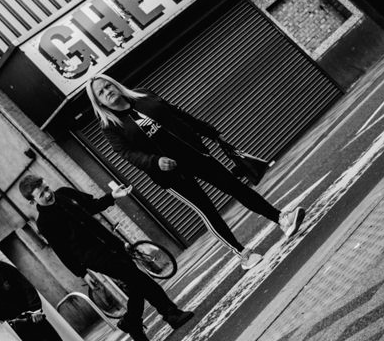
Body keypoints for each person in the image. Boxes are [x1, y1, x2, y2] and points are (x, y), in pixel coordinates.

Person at [86, 75, 303, 270]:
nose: (107, 92)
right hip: (171, 174)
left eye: (108, 86)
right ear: (99, 102)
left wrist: (209, 132)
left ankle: (281, 218)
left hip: (193, 154)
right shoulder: (110, 126)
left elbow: (178, 114)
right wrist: (154, 161)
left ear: (116, 85)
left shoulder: (143, 95)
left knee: (236, 187)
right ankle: (242, 253)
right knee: (208, 211)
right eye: (101, 93)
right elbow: (127, 153)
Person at [19, 173, 193, 341]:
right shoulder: (45, 223)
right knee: (140, 279)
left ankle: (131, 321)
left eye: (46, 188)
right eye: (41, 194)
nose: (48, 194)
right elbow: (62, 251)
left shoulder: (66, 193)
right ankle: (171, 314)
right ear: (32, 201)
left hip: (112, 245)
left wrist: (112, 196)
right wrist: (82, 273)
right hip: (94, 257)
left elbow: (92, 205)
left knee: (136, 284)